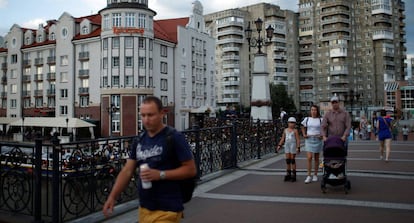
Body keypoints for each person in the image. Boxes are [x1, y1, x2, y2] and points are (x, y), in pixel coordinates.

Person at [102, 96, 197, 223]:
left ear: (162, 113)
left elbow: (190, 170)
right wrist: (113, 196)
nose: (146, 120)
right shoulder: (139, 140)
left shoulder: (174, 137)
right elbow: (127, 171)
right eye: (143, 115)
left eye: (150, 115)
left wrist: (160, 175)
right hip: (145, 208)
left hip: (168, 209)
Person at [301, 105, 323, 184]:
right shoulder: (307, 119)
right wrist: (304, 134)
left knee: (316, 158)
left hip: (317, 139)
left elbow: (324, 128)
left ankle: (315, 174)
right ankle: (308, 175)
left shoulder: (320, 119)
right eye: (312, 110)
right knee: (309, 157)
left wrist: (321, 135)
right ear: (310, 111)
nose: (313, 111)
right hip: (309, 139)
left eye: (315, 110)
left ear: (317, 111)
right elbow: (302, 127)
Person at [277, 117, 300, 182]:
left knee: (292, 160)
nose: (291, 124)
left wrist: (298, 147)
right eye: (290, 122)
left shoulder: (295, 131)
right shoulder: (285, 130)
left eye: (293, 123)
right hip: (287, 145)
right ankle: (288, 173)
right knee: (288, 160)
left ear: (295, 124)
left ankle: (294, 174)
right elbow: (282, 138)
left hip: (293, 145)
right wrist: (279, 145)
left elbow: (298, 139)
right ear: (288, 123)